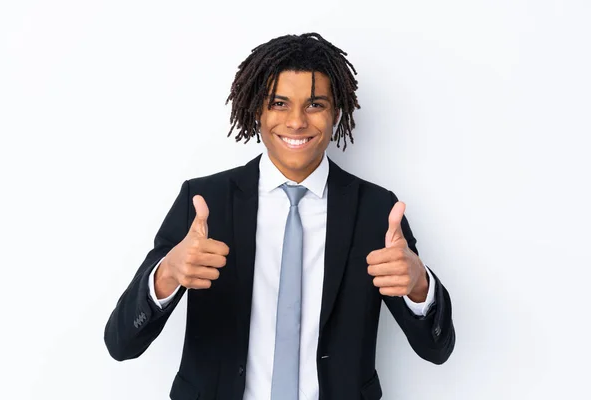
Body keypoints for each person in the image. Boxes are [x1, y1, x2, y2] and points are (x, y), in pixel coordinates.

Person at [104, 32, 455, 400]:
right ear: (257, 110)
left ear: (336, 112)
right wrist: (166, 275)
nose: (297, 121)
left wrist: (419, 284)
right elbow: (121, 342)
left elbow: (437, 349)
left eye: (315, 104)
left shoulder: (377, 211)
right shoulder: (205, 202)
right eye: (279, 103)